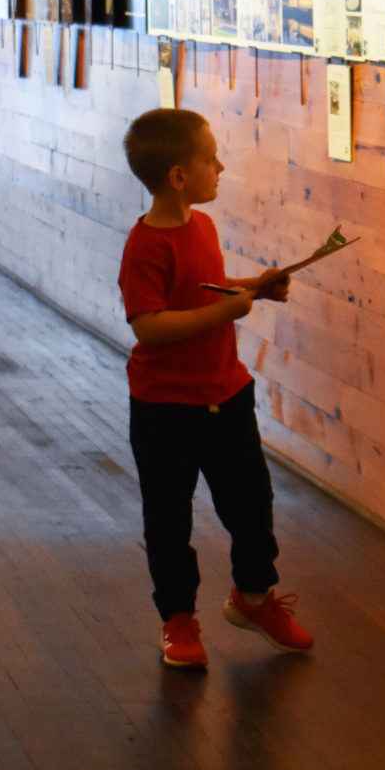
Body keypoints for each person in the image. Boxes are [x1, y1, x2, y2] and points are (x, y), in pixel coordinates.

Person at [118, 107, 314, 670]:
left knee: (252, 503)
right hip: (164, 408)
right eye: (211, 159)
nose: (221, 167)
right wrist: (227, 312)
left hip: (225, 394)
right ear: (179, 176)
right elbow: (150, 325)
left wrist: (256, 287)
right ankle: (178, 619)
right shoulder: (144, 247)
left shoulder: (201, 227)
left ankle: (252, 597)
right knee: (168, 519)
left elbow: (204, 290)